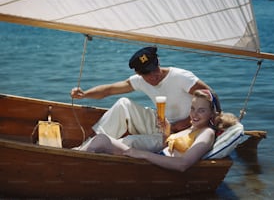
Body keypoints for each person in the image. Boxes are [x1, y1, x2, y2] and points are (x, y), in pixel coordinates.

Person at [71, 46, 221, 152]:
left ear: (158, 62)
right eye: (147, 73)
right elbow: (110, 89)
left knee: (129, 141)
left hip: (183, 130)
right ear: (139, 74)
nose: (153, 75)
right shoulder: (140, 80)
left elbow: (211, 95)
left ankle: (94, 151)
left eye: (154, 69)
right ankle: (86, 147)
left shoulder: (180, 77)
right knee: (123, 104)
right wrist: (84, 95)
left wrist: (187, 124)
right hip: (162, 123)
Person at [76, 90, 237, 172]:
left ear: (212, 113)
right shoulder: (194, 128)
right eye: (193, 109)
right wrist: (166, 130)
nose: (194, 114)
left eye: (201, 110)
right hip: (156, 157)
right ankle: (74, 159)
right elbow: (168, 145)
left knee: (101, 142)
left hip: (155, 164)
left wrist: (143, 154)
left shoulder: (206, 133)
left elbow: (183, 164)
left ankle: (73, 165)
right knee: (101, 140)